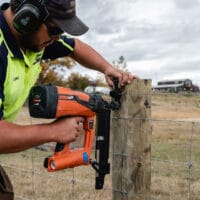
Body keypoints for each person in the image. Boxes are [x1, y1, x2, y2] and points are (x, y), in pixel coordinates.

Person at [0, 0, 137, 199]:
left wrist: (108, 68)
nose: (57, 39)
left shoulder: (33, 39)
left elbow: (74, 47)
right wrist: (53, 131)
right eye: (54, 30)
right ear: (26, 18)